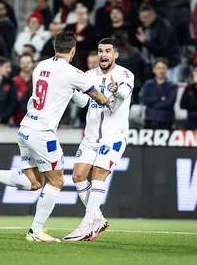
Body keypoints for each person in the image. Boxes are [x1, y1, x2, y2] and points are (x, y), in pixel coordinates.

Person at [0, 31, 113, 243]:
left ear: (54, 48)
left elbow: (75, 98)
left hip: (25, 128)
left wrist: (75, 86)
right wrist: (108, 101)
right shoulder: (72, 73)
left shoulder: (41, 66)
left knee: (33, 182)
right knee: (57, 181)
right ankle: (36, 231)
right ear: (73, 50)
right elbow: (93, 97)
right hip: (43, 133)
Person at [63, 38, 134, 241]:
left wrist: (115, 90)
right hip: (91, 137)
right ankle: (99, 219)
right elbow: (83, 101)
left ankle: (86, 225)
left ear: (115, 55)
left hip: (113, 136)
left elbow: (125, 93)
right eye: (100, 50)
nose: (103, 54)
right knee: (77, 176)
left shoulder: (125, 74)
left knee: (98, 176)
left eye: (108, 51)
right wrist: (70, 90)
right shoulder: (88, 75)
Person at [137, 5, 180, 82]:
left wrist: (145, 42)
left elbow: (162, 48)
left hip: (169, 67)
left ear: (153, 15)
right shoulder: (147, 26)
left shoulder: (163, 27)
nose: (143, 20)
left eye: (145, 17)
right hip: (157, 66)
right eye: (141, 17)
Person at [140, 58, 178, 130]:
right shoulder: (148, 84)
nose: (161, 71)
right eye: (159, 68)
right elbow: (144, 100)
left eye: (163, 68)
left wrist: (152, 103)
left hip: (166, 121)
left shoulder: (173, 86)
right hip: (149, 120)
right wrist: (159, 98)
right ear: (153, 70)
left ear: (167, 70)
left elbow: (168, 103)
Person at [64, 5, 98, 72]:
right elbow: (63, 41)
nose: (80, 15)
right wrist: (80, 40)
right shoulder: (69, 27)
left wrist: (73, 40)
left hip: (86, 59)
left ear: (87, 14)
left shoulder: (93, 29)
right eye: (78, 13)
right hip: (69, 57)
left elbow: (90, 44)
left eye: (82, 13)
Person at [13, 54, 34, 126]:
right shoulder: (14, 82)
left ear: (32, 64)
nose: (25, 65)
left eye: (28, 63)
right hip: (17, 121)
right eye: (23, 63)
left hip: (33, 122)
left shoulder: (37, 81)